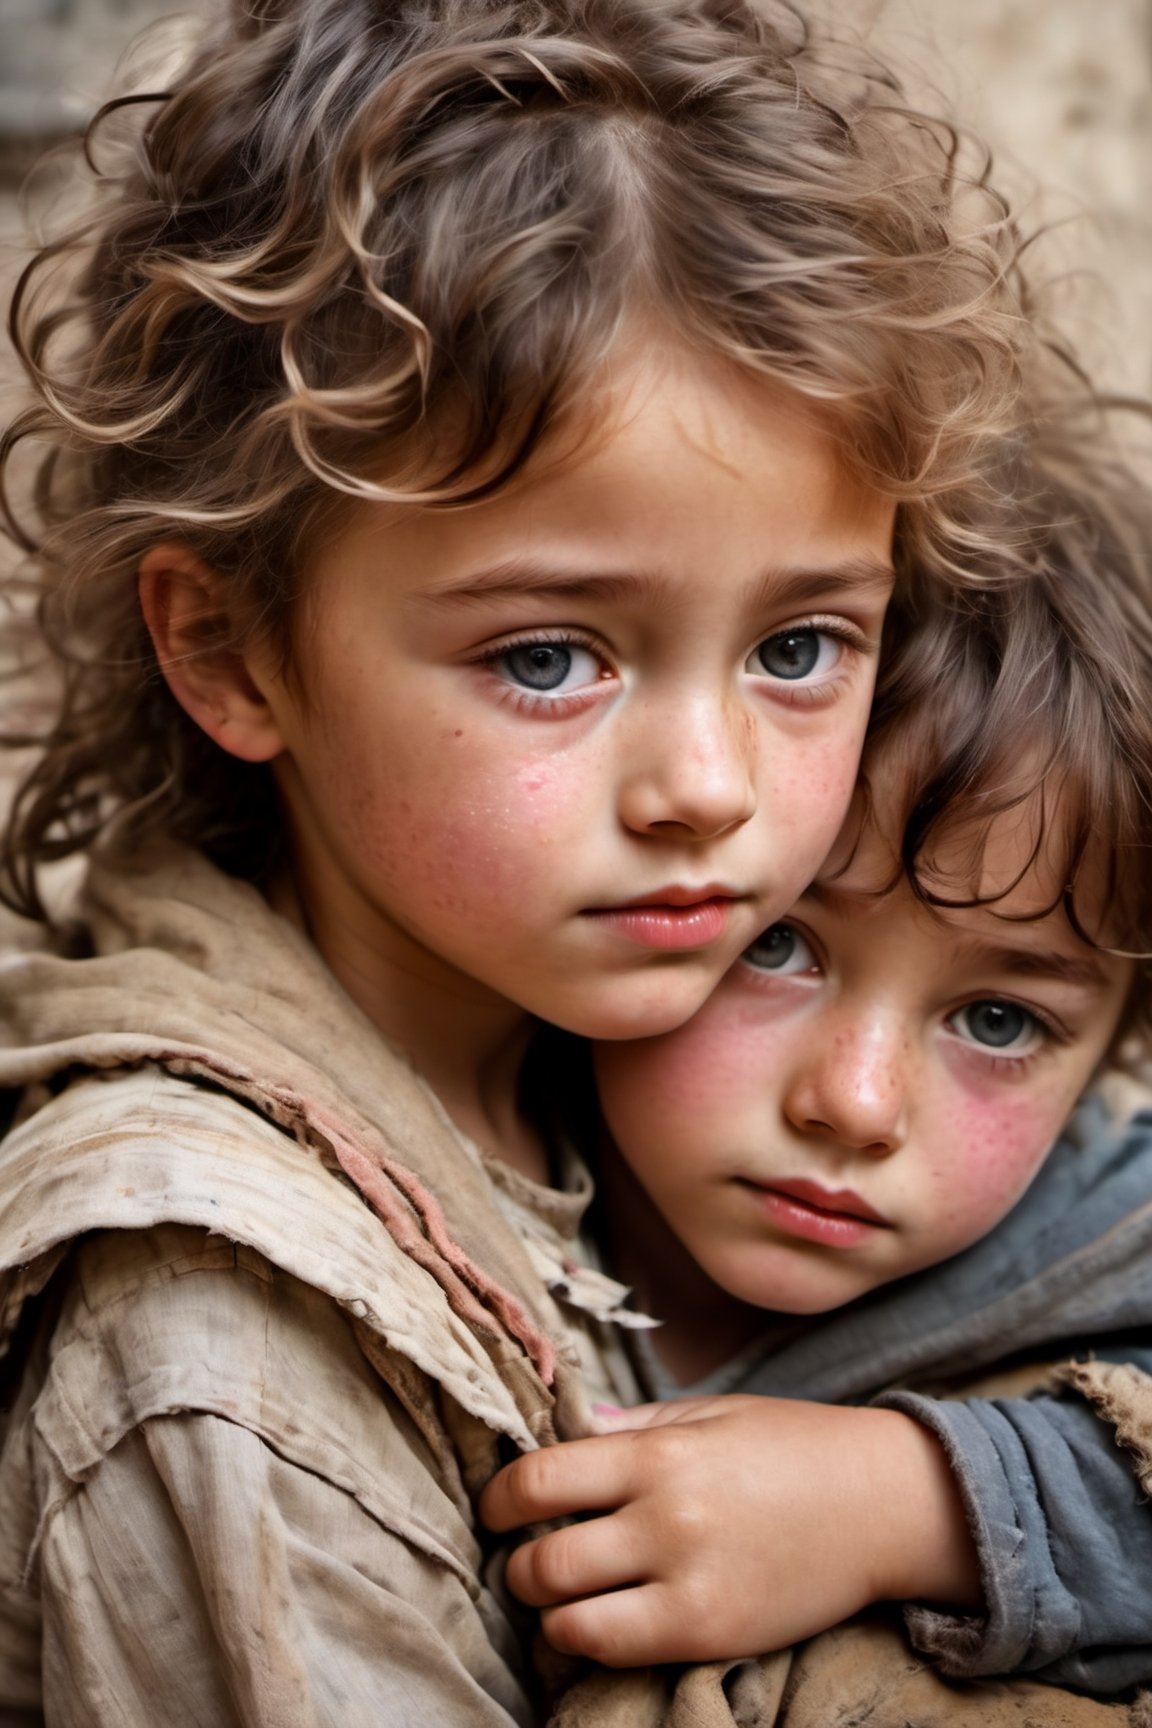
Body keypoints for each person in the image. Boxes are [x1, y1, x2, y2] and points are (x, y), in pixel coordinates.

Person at [0, 0, 1137, 1721]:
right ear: (233, 651)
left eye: (800, 644)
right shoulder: (224, 1357)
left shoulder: (598, 1056)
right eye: (548, 658)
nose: (708, 787)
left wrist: (920, 1501)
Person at [481, 511, 1152, 1719]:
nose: (854, 1104)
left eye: (998, 1022)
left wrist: (906, 1505)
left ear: (1114, 1048)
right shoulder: (459, 1149)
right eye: (779, 946)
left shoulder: (1116, 1237)